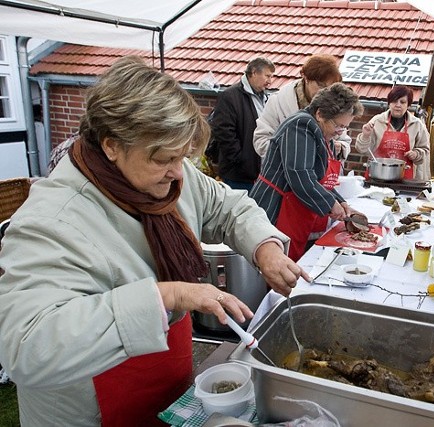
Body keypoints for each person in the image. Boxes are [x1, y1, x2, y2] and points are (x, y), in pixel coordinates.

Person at [0, 56, 308, 427]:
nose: (178, 172)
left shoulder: (171, 176)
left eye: (183, 156)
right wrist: (168, 296)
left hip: (166, 375)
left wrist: (265, 248)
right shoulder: (51, 221)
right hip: (90, 405)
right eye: (164, 158)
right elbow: (27, 346)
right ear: (111, 145)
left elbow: (229, 207)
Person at [250, 83, 364, 262]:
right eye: (338, 126)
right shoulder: (300, 126)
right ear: (320, 114)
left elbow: (319, 179)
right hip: (275, 207)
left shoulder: (320, 131)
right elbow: (300, 175)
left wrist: (341, 203)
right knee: (274, 267)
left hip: (292, 208)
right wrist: (330, 205)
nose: (339, 132)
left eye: (344, 128)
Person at [253, 54, 351, 161]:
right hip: (284, 173)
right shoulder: (278, 101)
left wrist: (340, 148)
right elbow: (261, 140)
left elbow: (344, 140)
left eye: (329, 87)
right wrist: (293, 151)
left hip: (325, 174)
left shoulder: (334, 103)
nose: (325, 91)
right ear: (306, 78)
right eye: (321, 85)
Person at [206, 57, 275, 191]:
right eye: (267, 76)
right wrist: (242, 160)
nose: (269, 82)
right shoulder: (230, 96)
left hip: (260, 173)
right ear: (254, 72)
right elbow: (223, 132)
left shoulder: (266, 98)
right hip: (238, 176)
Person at [355, 85, 431, 181]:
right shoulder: (377, 121)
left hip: (405, 179)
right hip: (377, 177)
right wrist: (365, 136)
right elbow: (362, 149)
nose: (398, 105)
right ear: (389, 103)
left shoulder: (417, 125)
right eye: (394, 101)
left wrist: (416, 154)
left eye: (402, 102)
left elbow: (425, 151)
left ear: (408, 105)